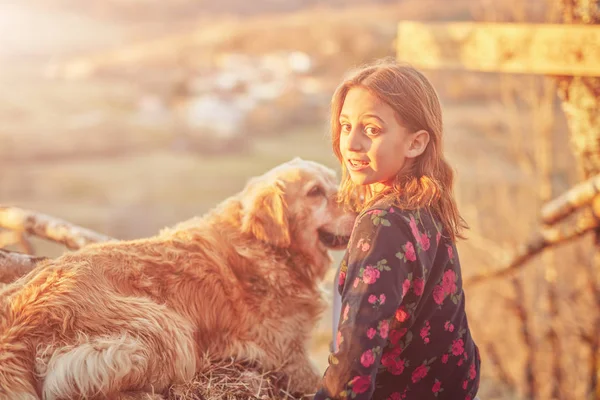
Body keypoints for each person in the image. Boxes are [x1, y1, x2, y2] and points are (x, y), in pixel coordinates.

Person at [314, 58, 480, 400]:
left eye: (371, 130)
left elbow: (352, 365)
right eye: (346, 126)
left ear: (416, 143)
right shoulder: (424, 201)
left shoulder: (383, 223)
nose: (352, 144)